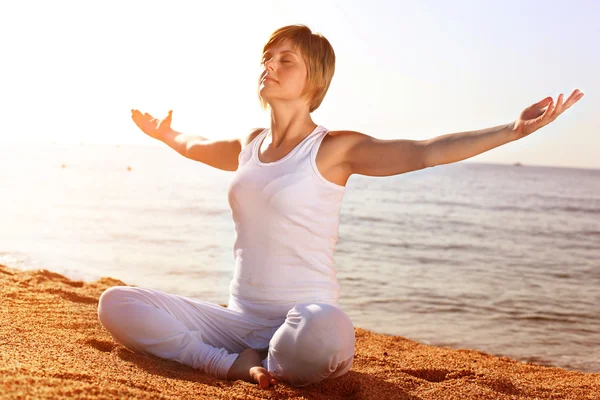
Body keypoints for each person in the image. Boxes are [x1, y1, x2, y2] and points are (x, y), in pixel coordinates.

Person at [97, 24, 584, 390]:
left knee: (326, 329)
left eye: (286, 59)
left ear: (314, 79)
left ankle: (278, 357)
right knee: (117, 303)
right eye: (267, 58)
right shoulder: (249, 144)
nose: (270, 65)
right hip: (239, 320)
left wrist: (510, 131)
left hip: (306, 317)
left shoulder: (334, 148)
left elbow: (425, 150)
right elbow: (196, 144)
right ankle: (233, 364)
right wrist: (164, 133)